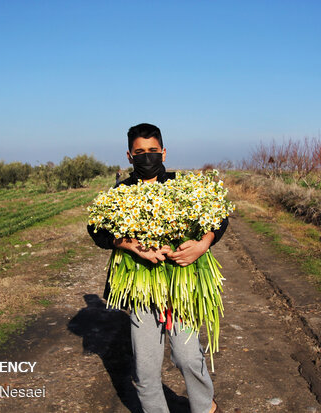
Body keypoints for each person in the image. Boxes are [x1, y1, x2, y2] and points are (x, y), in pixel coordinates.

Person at [87, 123, 228, 413]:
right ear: (129, 156)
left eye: (153, 151)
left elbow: (219, 219)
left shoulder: (181, 185)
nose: (147, 157)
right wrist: (128, 245)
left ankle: (206, 408)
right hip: (141, 291)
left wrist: (203, 244)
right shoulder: (121, 191)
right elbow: (96, 229)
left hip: (181, 285)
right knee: (146, 368)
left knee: (187, 357)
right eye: (140, 152)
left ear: (164, 152)